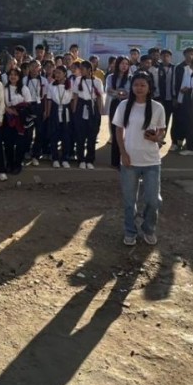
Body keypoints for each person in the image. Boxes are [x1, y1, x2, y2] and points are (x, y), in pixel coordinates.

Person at [112, 73, 167, 246]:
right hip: (129, 160)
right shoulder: (123, 105)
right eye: (136, 85)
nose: (139, 88)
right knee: (129, 201)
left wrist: (156, 138)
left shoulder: (157, 107)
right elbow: (118, 131)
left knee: (153, 200)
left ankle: (148, 228)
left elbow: (162, 130)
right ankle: (130, 231)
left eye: (143, 85)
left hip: (151, 160)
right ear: (132, 86)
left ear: (149, 87)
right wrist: (123, 153)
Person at [70, 60, 104, 170]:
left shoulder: (98, 81)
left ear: (89, 70)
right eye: (80, 69)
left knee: (91, 136)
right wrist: (74, 112)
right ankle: (81, 159)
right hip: (81, 106)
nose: (81, 71)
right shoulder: (78, 80)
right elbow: (75, 96)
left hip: (92, 108)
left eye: (83, 69)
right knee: (80, 135)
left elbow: (99, 98)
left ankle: (90, 159)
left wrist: (99, 112)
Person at [2, 66, 33, 177]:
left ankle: (17, 164)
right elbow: (2, 103)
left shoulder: (24, 88)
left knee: (20, 143)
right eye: (11, 74)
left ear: (19, 77)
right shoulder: (4, 89)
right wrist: (8, 110)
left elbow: (28, 104)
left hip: (20, 120)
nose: (13, 77)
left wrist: (18, 112)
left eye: (15, 74)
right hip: (8, 119)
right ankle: (9, 163)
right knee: (8, 143)